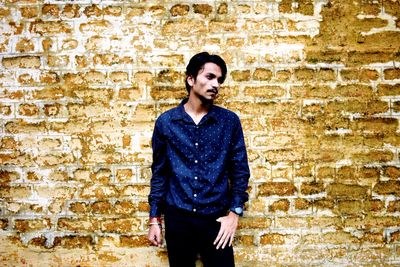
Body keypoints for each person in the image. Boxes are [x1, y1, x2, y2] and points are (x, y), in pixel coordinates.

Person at [147, 52, 250, 267]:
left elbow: (239, 170)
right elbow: (160, 173)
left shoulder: (229, 122)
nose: (216, 85)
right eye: (210, 77)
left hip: (215, 219)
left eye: (220, 80)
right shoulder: (167, 122)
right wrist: (154, 219)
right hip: (178, 219)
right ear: (191, 79)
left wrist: (234, 214)